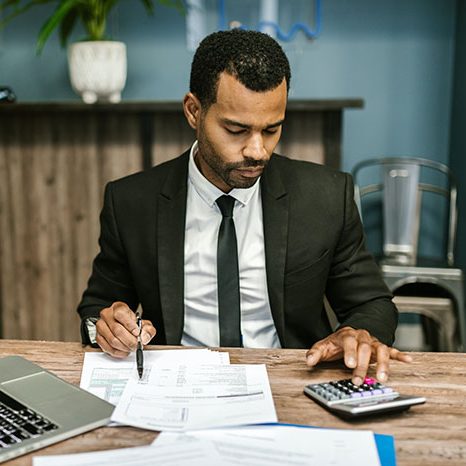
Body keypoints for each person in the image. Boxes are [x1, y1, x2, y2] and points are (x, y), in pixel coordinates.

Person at [78, 29, 411, 385]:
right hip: (175, 385)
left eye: (271, 130)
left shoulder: (327, 197)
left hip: (292, 382)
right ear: (194, 111)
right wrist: (106, 327)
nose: (257, 150)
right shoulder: (131, 202)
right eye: (236, 130)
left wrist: (357, 332)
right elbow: (97, 310)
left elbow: (372, 304)